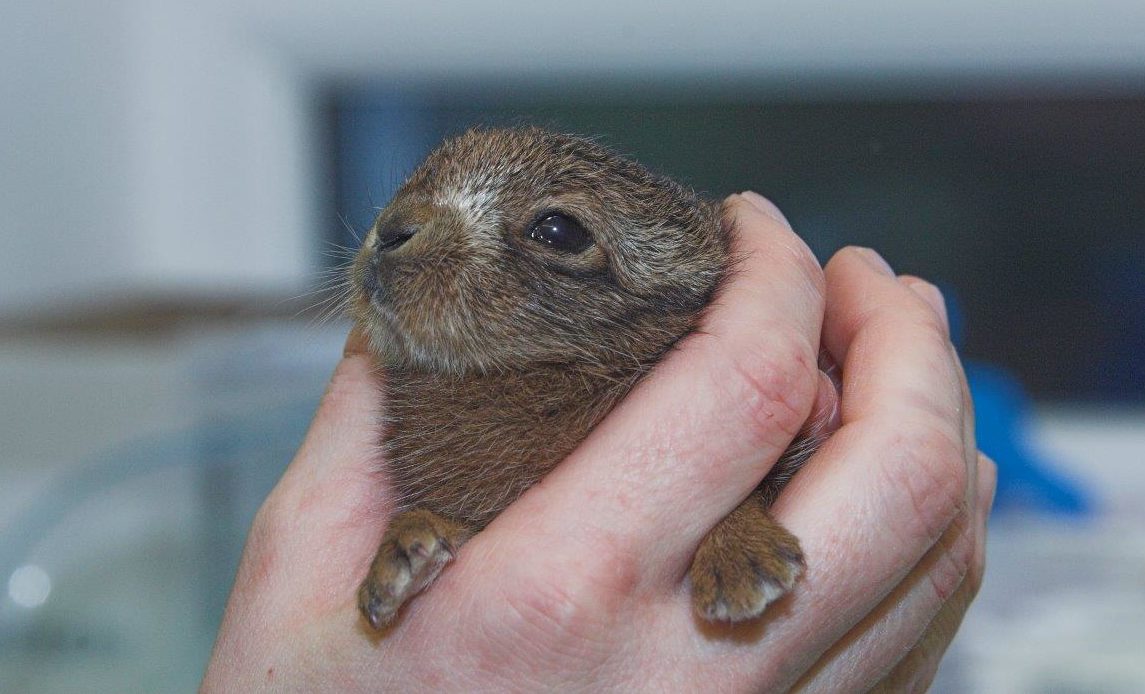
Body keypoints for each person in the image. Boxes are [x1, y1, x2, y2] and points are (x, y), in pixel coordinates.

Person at [201, 193, 994, 692]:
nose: (397, 228)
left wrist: (737, 518)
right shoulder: (414, 421)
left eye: (555, 232)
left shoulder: (655, 373)